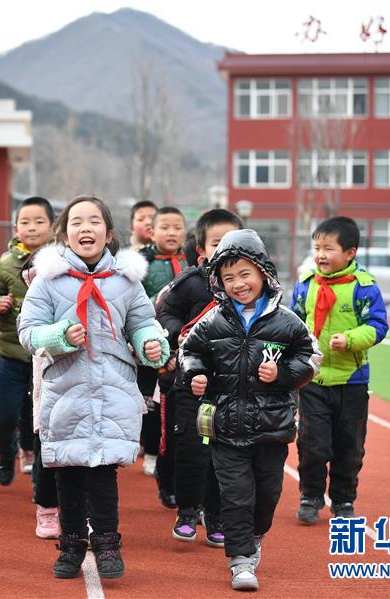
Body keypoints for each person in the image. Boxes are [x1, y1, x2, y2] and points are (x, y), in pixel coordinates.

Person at [18, 195, 170, 580]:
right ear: (64, 233)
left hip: (112, 387)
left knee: (104, 472)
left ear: (109, 232)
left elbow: (142, 321)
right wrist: (58, 336)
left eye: (94, 221)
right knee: (67, 471)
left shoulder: (126, 280)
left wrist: (151, 343)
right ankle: (70, 545)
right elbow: (28, 332)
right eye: (76, 222)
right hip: (64, 388)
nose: (85, 228)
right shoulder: (48, 281)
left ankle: (107, 543)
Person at [180, 229, 320, 591]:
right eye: (228, 278)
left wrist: (284, 374)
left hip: (271, 428)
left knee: (268, 493)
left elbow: (310, 357)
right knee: (236, 494)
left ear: (263, 273)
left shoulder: (286, 321)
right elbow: (189, 350)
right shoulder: (213, 322)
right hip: (225, 425)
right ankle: (241, 560)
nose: (238, 284)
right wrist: (195, 374)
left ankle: (255, 537)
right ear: (218, 282)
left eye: (245, 274)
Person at [291, 216, 388, 523]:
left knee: (350, 446)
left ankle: (344, 500)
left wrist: (350, 339)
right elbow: (292, 324)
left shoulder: (364, 288)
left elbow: (378, 325)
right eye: (317, 247)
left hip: (352, 382)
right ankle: (310, 496)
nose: (321, 254)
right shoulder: (306, 285)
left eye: (328, 248)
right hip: (314, 380)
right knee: (312, 444)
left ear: (350, 253)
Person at [157, 208, 243, 545]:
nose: (226, 249)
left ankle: (218, 514)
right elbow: (165, 313)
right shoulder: (191, 283)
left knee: (225, 453)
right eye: (218, 243)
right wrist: (181, 335)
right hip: (190, 382)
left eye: (234, 242)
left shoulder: (251, 284)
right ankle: (188, 509)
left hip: (232, 387)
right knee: (192, 449)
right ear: (202, 250)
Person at [0, 196, 54, 485]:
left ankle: (41, 473)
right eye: (25, 222)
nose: (33, 228)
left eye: (39, 221)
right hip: (12, 354)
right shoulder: (6, 262)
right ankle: (6, 452)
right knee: (1, 415)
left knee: (42, 420)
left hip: (48, 355)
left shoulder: (61, 261)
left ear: (52, 227)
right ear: (15, 228)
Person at [136, 207, 189, 494]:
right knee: (149, 404)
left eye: (177, 227)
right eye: (165, 227)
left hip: (180, 346)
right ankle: (152, 450)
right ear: (152, 231)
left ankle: (172, 455)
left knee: (175, 401)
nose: (171, 233)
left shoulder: (191, 261)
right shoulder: (143, 262)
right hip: (150, 346)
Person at [19, 252, 61, 540]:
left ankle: (80, 510)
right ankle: (47, 507)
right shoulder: (38, 292)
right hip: (47, 387)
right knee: (47, 448)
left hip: (86, 387)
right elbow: (31, 336)